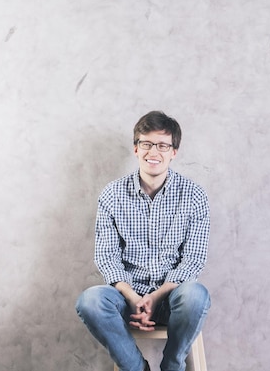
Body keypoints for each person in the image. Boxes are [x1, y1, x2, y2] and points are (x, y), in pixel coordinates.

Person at [76, 111, 211, 371]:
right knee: (90, 301)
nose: (154, 151)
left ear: (174, 152)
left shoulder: (194, 195)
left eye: (162, 145)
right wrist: (134, 298)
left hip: (173, 298)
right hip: (126, 298)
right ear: (136, 148)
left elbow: (193, 260)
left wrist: (156, 296)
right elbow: (107, 257)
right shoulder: (112, 194)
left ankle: (172, 366)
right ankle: (137, 369)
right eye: (147, 144)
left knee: (197, 295)